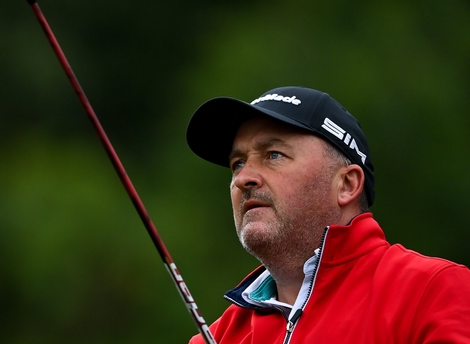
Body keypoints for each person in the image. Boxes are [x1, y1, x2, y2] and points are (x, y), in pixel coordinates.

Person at [184, 86, 470, 344]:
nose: (243, 178)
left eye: (273, 155)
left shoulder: (434, 291)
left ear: (346, 185)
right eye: (238, 163)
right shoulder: (218, 338)